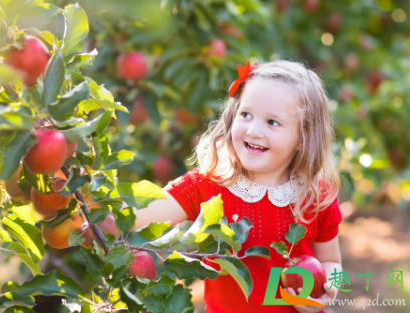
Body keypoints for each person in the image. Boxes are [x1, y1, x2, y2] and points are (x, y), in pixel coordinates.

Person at [132, 60, 342, 313]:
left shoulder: (314, 195)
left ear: (303, 138)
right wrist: (89, 205)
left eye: (272, 122)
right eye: (246, 115)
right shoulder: (208, 186)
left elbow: (330, 261)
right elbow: (136, 213)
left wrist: (325, 292)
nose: (253, 130)